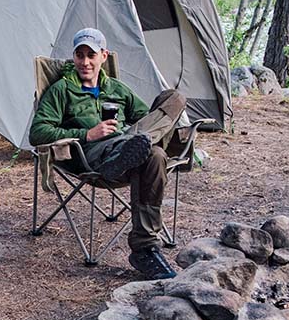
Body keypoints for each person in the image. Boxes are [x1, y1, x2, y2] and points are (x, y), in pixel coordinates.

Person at [30, 27, 191, 280]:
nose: (85, 62)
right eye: (79, 55)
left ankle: (144, 249)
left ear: (103, 56)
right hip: (91, 156)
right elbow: (38, 133)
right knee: (154, 155)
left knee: (172, 101)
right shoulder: (61, 90)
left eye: (91, 55)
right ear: (73, 57)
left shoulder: (117, 88)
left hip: (128, 149)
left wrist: (133, 133)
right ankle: (145, 245)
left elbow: (146, 118)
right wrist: (88, 134)